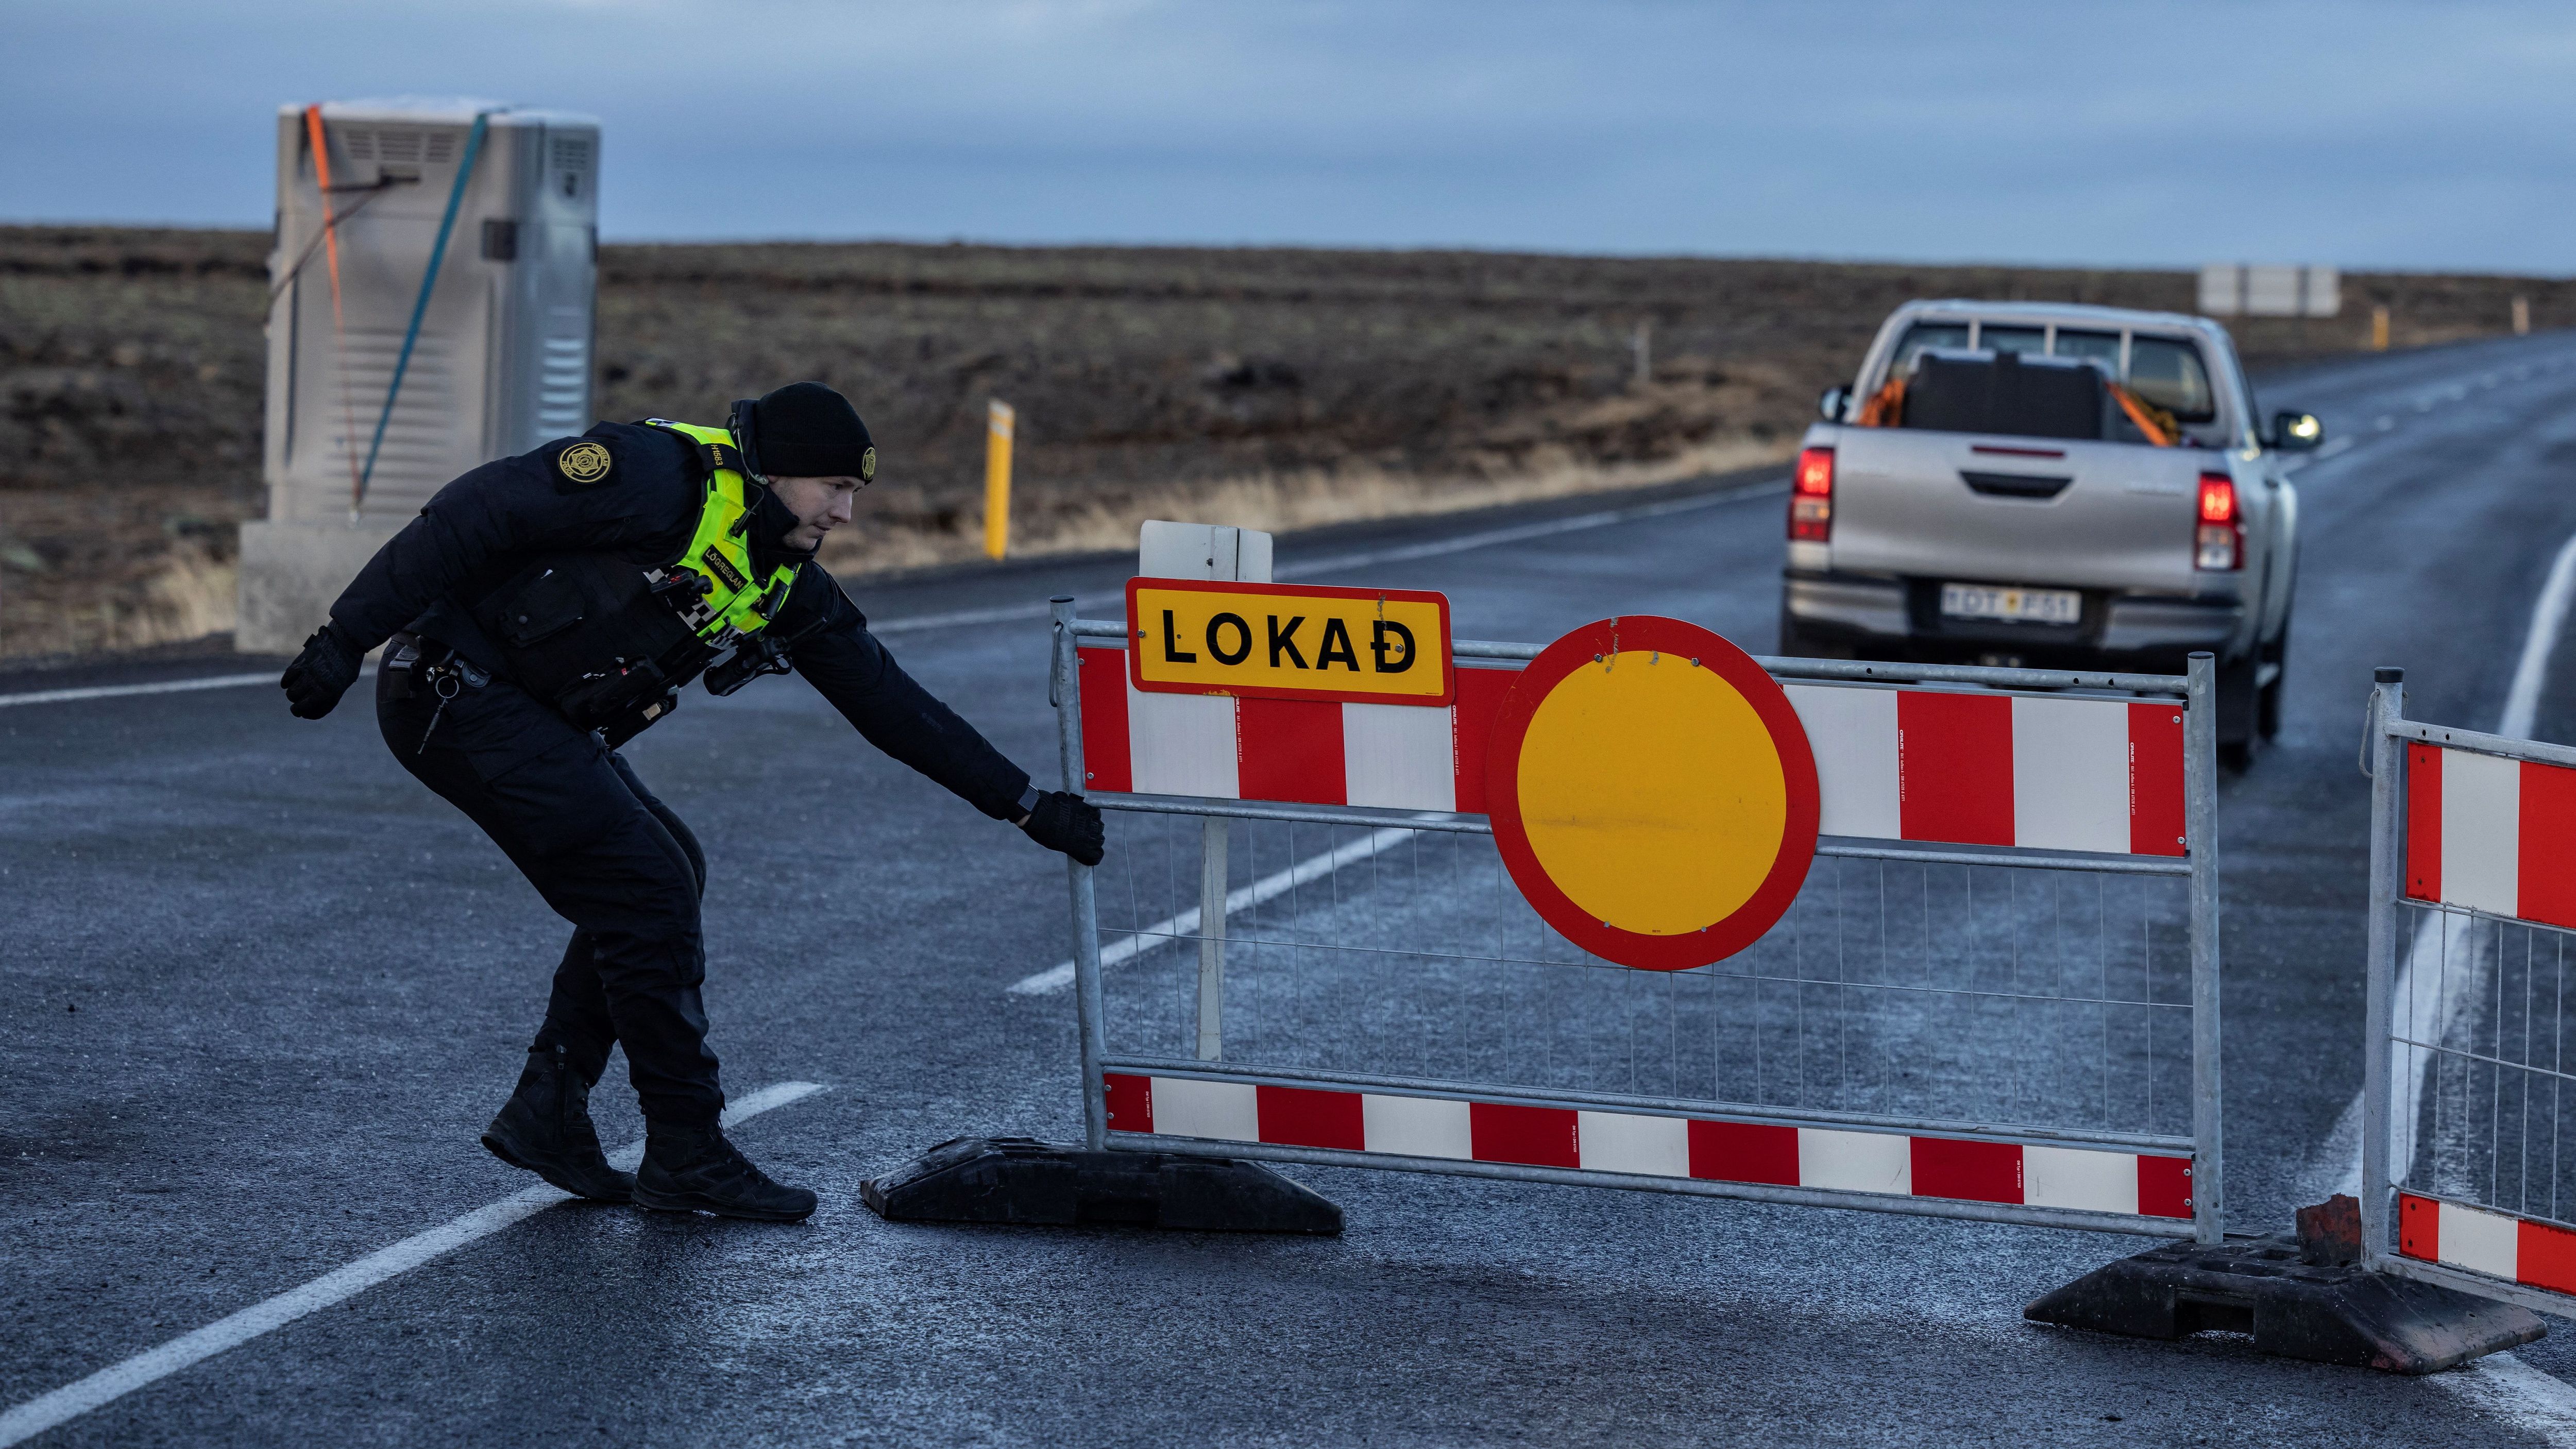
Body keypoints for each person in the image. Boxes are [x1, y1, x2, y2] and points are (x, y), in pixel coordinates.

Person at [276, 382, 1103, 1223]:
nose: (847, 516)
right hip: (454, 691)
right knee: (645, 884)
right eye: (837, 491)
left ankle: (550, 1111)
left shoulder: (784, 580)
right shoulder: (654, 475)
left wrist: (1029, 805)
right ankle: (686, 1148)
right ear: (780, 474)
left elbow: (892, 703)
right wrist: (346, 637)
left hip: (519, 713)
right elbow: (469, 513)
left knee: (670, 868)